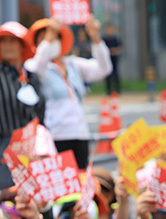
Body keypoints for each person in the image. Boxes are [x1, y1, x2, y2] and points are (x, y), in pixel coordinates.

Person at [24, 17, 112, 168]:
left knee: (80, 180)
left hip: (80, 133)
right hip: (55, 135)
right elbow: (35, 68)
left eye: (55, 37)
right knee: (61, 183)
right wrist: (48, 39)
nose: (51, 41)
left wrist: (96, 39)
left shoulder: (72, 64)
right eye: (45, 39)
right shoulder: (36, 67)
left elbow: (104, 69)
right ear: (38, 45)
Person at [0, 22, 38, 190]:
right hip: (4, 147)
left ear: (23, 46)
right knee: (8, 198)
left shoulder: (31, 74)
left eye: (13, 41)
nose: (7, 45)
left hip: (32, 147)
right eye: (3, 41)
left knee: (33, 197)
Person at [102, 24, 122, 95]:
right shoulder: (104, 39)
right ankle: (108, 91)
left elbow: (119, 48)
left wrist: (114, 51)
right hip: (107, 59)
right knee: (107, 75)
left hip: (114, 59)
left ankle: (118, 90)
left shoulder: (115, 39)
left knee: (116, 74)